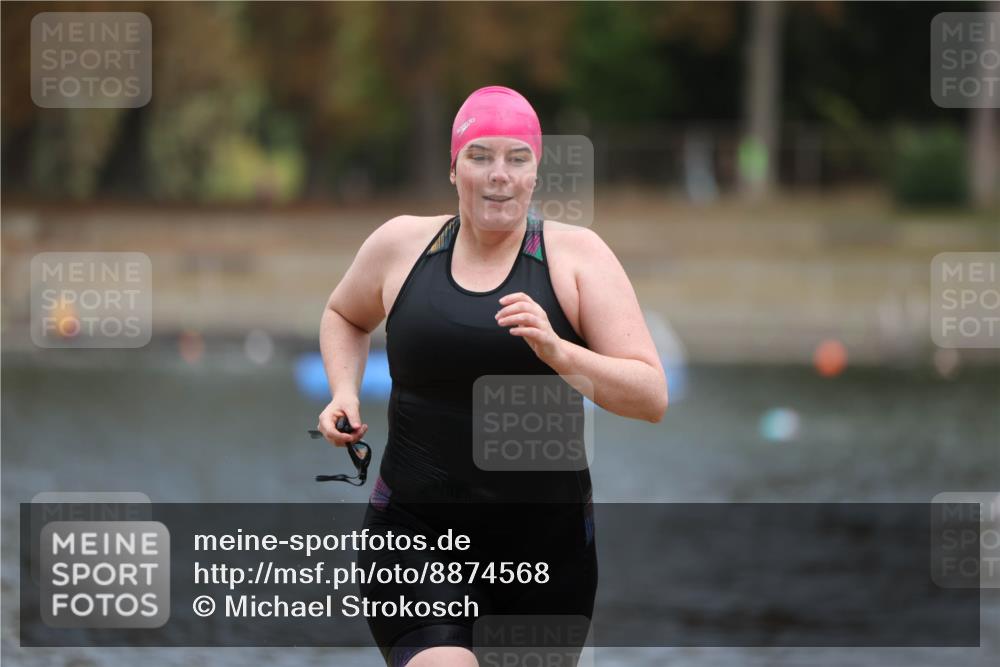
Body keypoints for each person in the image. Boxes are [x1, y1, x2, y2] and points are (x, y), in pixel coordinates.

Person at [317, 85, 667, 667]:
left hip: (544, 552)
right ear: (453, 167)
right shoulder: (402, 245)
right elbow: (344, 315)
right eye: (479, 156)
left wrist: (562, 353)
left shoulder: (577, 258)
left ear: (536, 173)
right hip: (414, 533)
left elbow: (650, 396)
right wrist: (344, 392)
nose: (498, 175)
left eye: (516, 158)